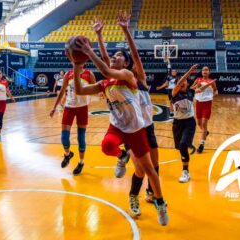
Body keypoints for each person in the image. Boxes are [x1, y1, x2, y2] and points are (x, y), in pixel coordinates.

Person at [70, 35, 169, 226]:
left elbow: (106, 67)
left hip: (136, 128)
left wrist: (89, 52)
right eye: (113, 55)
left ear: (127, 63)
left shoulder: (128, 76)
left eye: (118, 56)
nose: (114, 57)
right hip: (117, 126)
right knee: (107, 146)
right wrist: (76, 66)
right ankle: (122, 156)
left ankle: (160, 201)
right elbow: (80, 91)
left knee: (148, 169)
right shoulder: (105, 83)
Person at [93, 12, 161, 217]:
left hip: (147, 128)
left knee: (155, 168)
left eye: (122, 56)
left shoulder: (139, 78)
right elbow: (105, 61)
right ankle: (133, 197)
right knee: (140, 170)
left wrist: (126, 30)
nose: (116, 58)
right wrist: (99, 35)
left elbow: (136, 56)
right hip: (133, 128)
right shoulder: (119, 78)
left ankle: (151, 193)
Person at [49, 66, 96, 175]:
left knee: (81, 138)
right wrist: (54, 107)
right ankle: (67, 154)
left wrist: (102, 94)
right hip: (69, 107)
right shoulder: (68, 74)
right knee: (64, 137)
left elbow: (97, 88)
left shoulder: (89, 74)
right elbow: (61, 91)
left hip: (82, 107)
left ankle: (81, 162)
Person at [190, 66, 218, 153]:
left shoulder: (211, 81)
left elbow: (216, 91)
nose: (204, 71)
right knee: (199, 123)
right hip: (198, 103)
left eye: (206, 70)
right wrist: (196, 86)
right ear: (201, 72)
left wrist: (214, 95)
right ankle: (205, 132)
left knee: (204, 123)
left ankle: (201, 144)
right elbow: (190, 89)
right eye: (203, 70)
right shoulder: (198, 80)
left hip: (207, 104)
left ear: (209, 72)